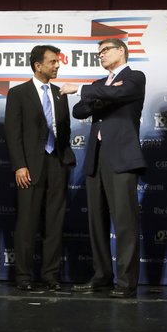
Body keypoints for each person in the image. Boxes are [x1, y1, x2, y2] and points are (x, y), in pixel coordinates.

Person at [65, 38, 145, 298]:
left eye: (105, 50)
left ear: (121, 51)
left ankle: (126, 282)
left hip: (121, 158)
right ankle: (101, 276)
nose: (100, 55)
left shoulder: (135, 77)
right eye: (98, 52)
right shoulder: (99, 84)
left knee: (124, 223)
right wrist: (98, 96)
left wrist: (85, 91)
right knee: (96, 222)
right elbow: (79, 110)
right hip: (96, 159)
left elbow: (119, 93)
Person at [4, 45, 75, 292]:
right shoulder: (18, 93)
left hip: (56, 162)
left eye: (58, 62)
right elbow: (12, 134)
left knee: (54, 222)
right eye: (53, 62)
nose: (57, 65)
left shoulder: (60, 93)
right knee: (27, 222)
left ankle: (50, 275)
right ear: (38, 66)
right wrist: (20, 165)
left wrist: (66, 158)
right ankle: (23, 275)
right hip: (30, 166)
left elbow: (63, 130)